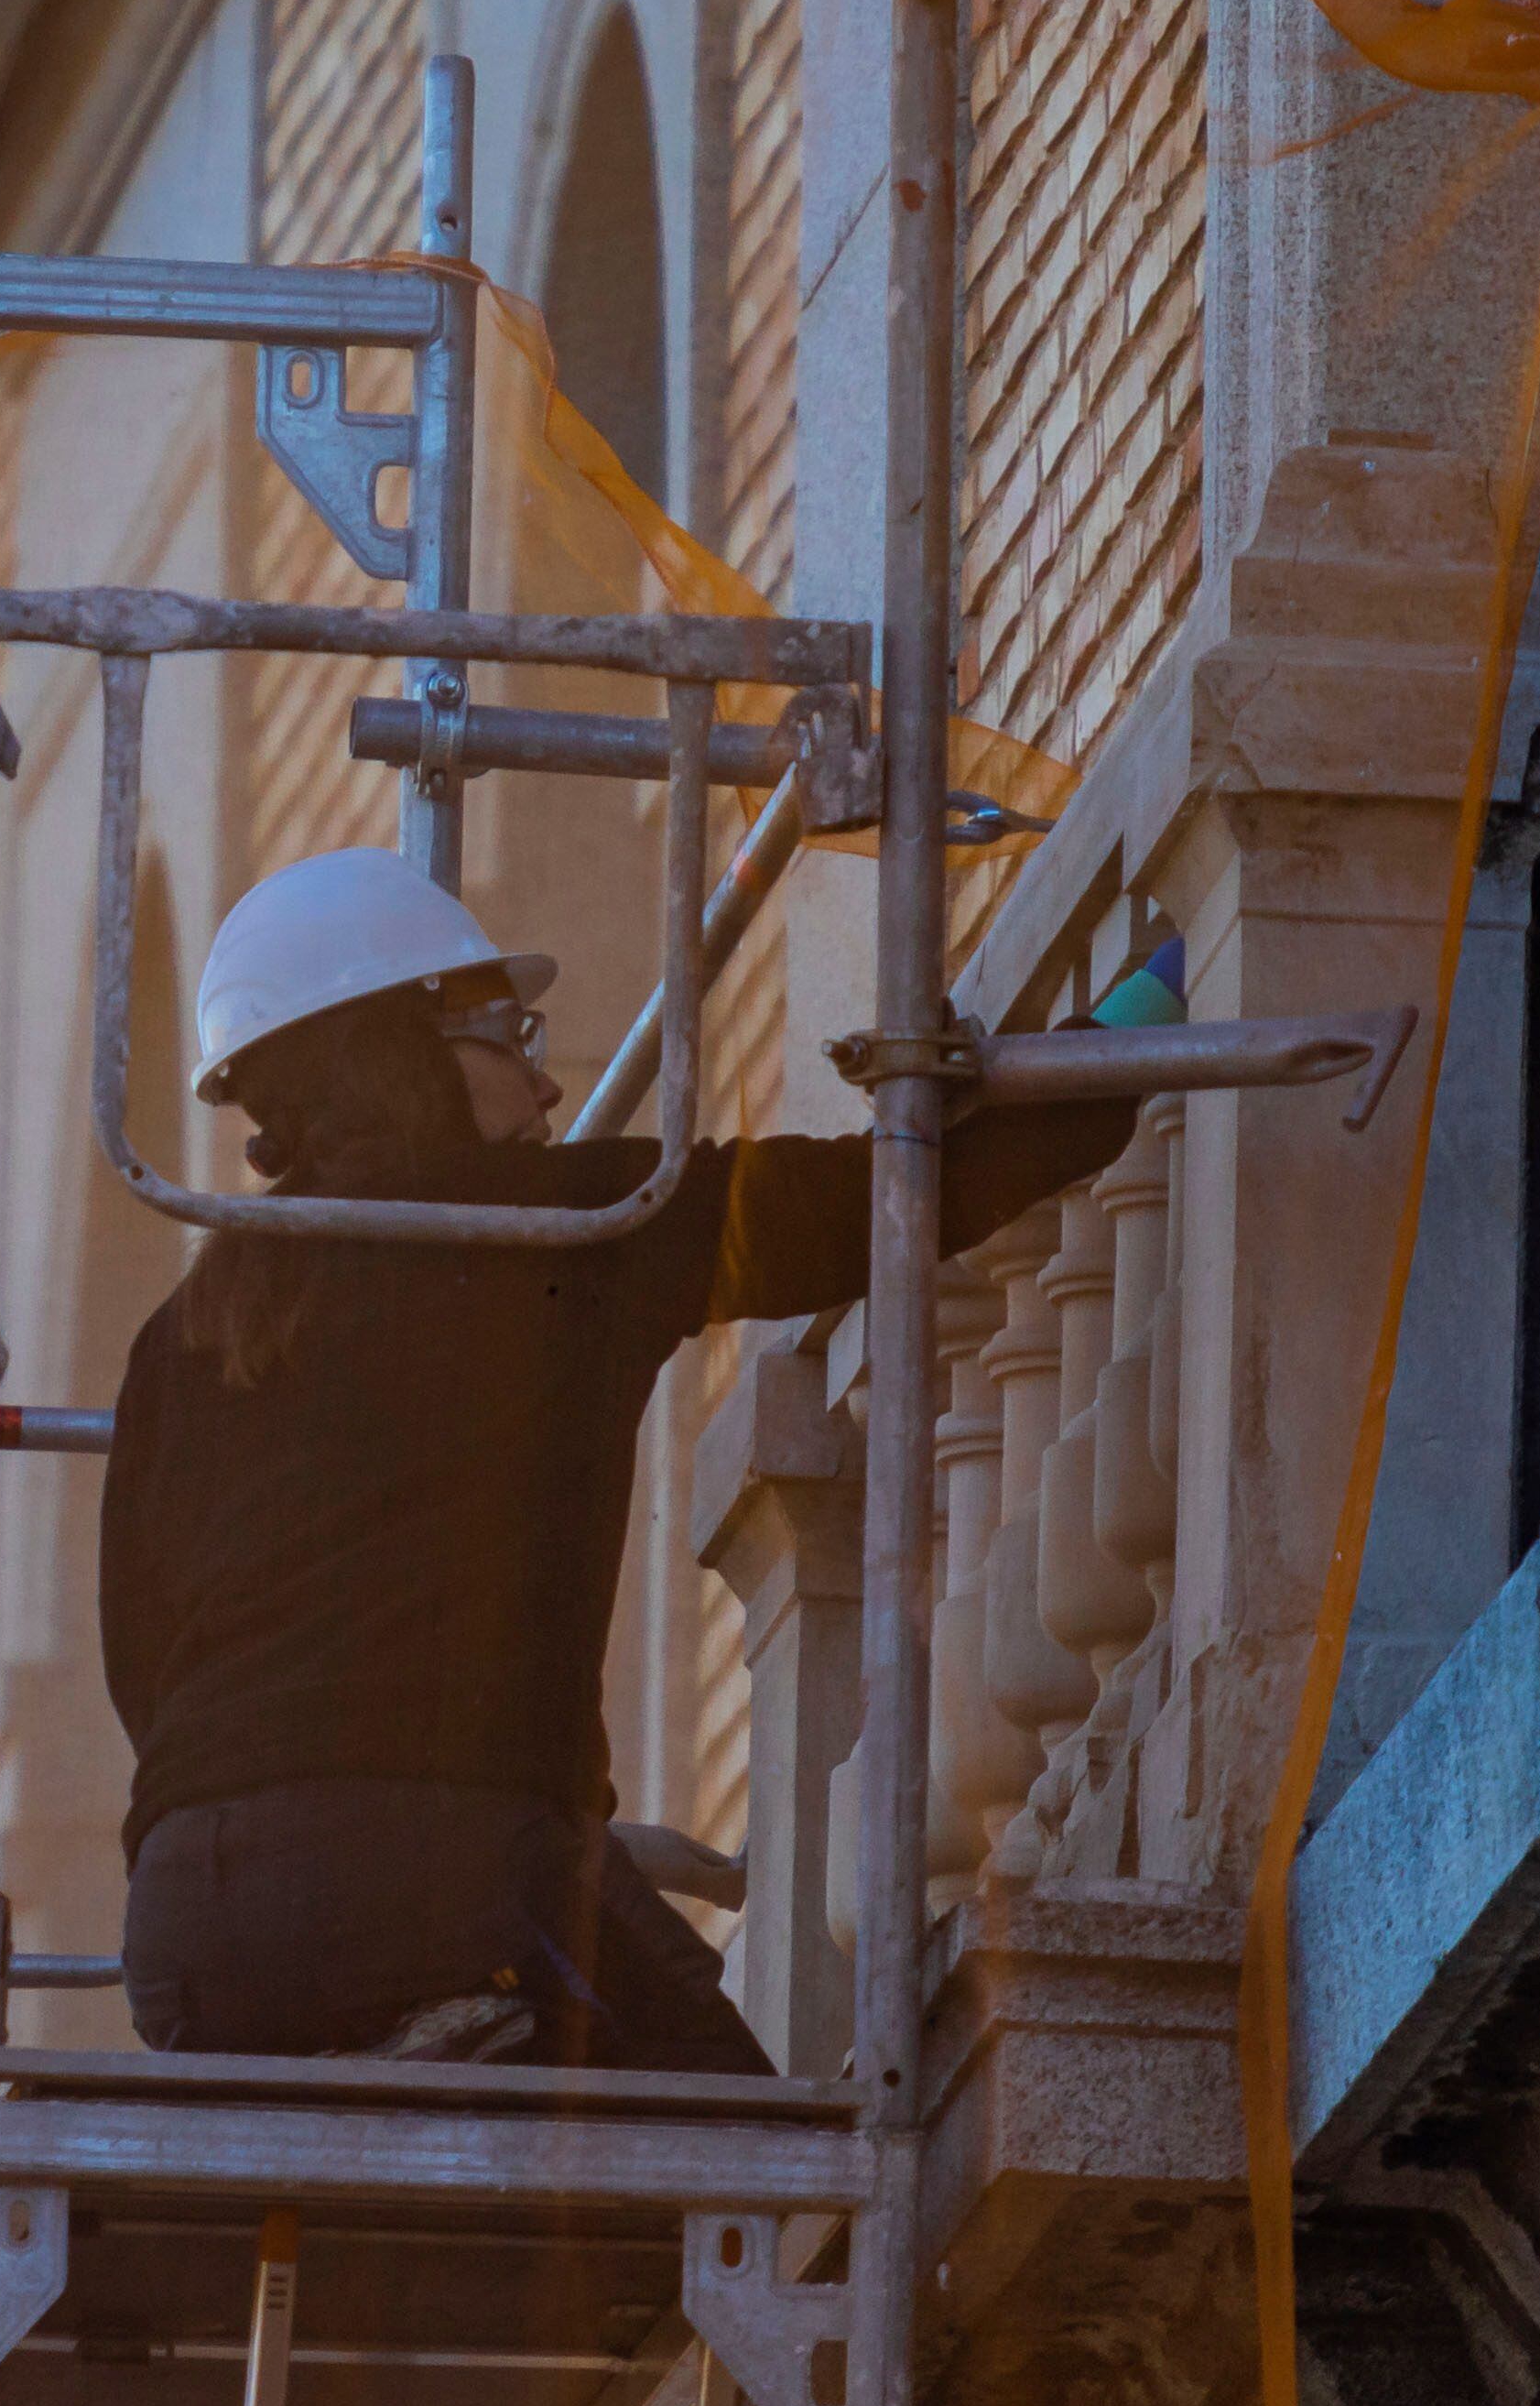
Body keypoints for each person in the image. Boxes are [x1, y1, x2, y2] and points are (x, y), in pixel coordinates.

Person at [99, 849, 1141, 2073]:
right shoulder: (566, 1233)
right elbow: (907, 1194)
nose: (546, 1089)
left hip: (186, 1932)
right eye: (508, 1033)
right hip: (444, 1886)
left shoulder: (182, 1338)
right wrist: (1149, 1008)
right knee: (764, 2201)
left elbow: (145, 1668)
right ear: (403, 1050)